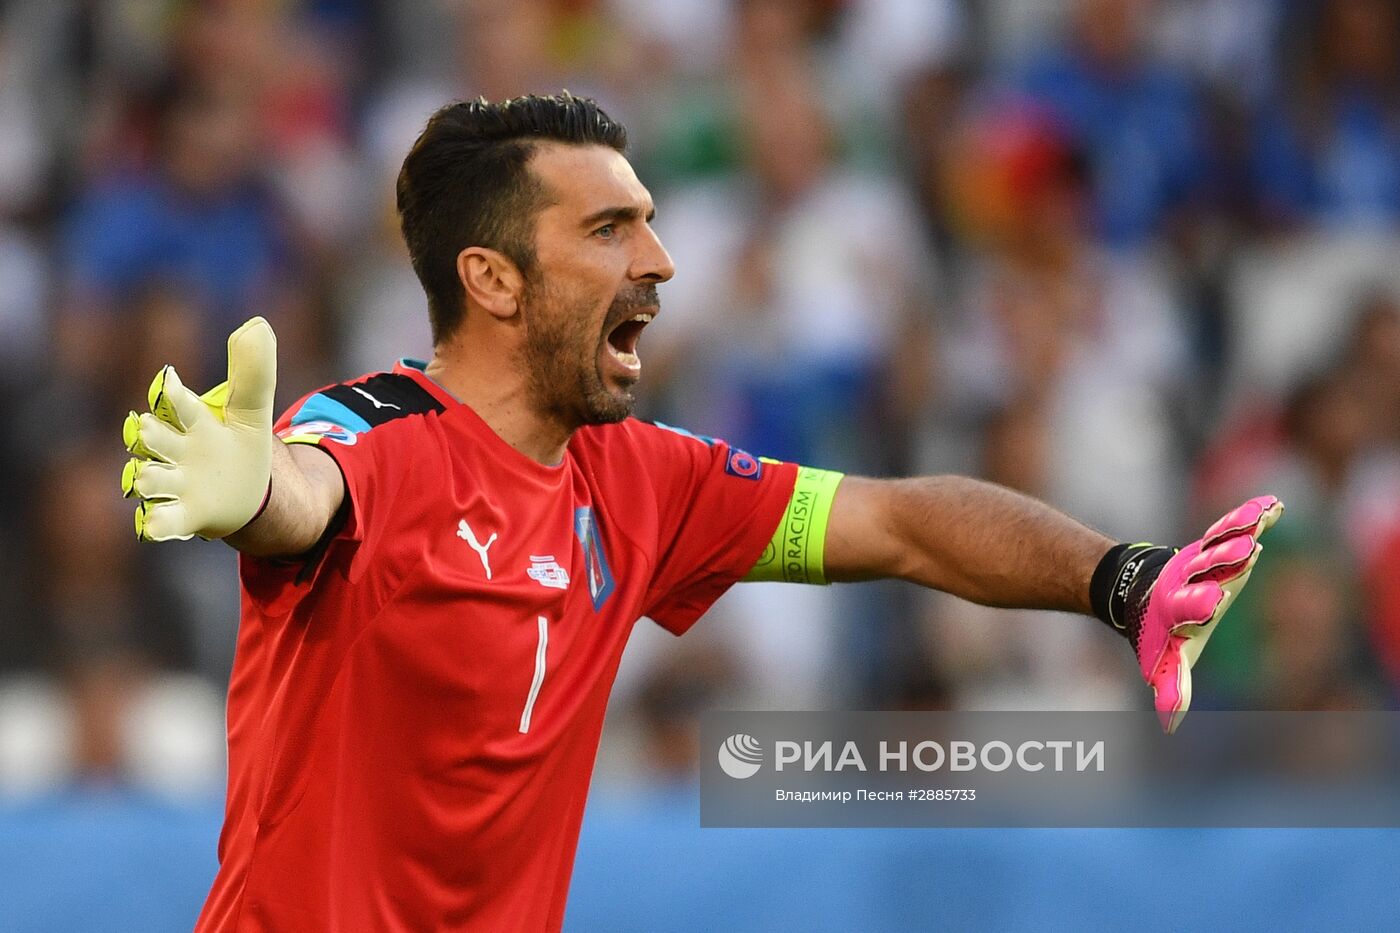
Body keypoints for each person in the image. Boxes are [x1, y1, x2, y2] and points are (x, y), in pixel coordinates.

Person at [118, 93, 1281, 932]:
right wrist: (252, 490)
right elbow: (309, 496)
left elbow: (900, 523)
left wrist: (1115, 579)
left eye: (651, 220)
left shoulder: (645, 480)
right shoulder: (376, 433)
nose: (663, 262)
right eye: (609, 228)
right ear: (493, 280)